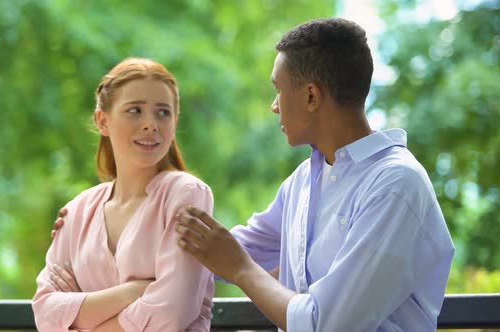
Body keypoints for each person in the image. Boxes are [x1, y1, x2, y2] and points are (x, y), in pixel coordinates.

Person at [175, 18, 455, 331]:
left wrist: (241, 271)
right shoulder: (302, 181)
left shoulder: (396, 186)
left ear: (311, 96)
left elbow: (328, 325)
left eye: (278, 90)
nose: (274, 106)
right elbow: (234, 247)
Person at [33, 57, 214, 332]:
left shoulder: (187, 194)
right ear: (102, 121)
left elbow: (171, 314)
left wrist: (79, 313)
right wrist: (136, 292)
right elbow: (46, 313)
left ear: (175, 122)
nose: (151, 123)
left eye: (163, 112)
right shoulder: (78, 210)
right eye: (135, 110)